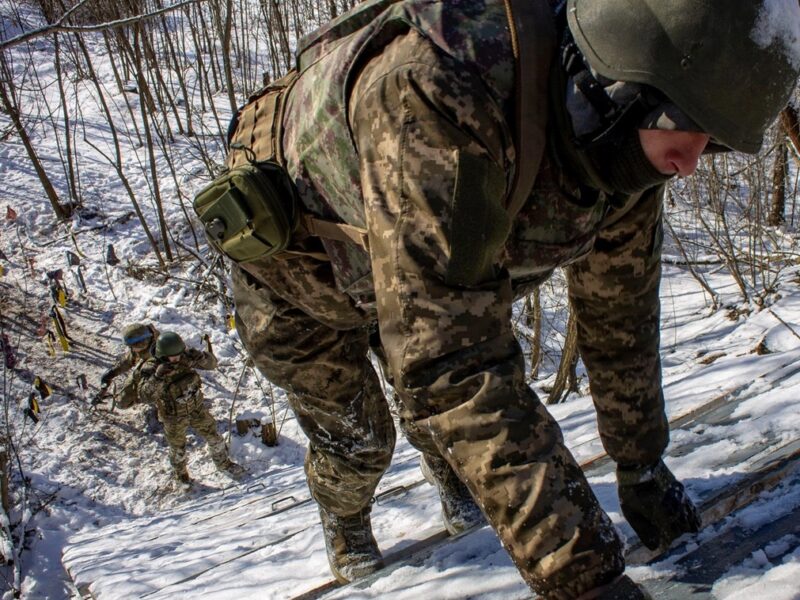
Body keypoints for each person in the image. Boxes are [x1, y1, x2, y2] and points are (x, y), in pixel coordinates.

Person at [218, 0, 799, 596]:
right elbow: (453, 364)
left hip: (415, 270)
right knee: (362, 445)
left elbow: (618, 310)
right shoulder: (436, 91)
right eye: (685, 126)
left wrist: (640, 461)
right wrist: (584, 577)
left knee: (440, 427)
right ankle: (344, 518)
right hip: (303, 287)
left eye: (715, 144)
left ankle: (450, 476)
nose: (689, 165)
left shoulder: (620, 141)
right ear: (618, 84)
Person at [124, 332, 245, 487]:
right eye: (172, 357)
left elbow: (212, 364)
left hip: (196, 408)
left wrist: (202, 357)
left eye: (178, 355)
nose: (176, 359)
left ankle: (224, 464)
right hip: (173, 415)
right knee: (177, 449)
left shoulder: (185, 356)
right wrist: (157, 377)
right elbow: (145, 396)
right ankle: (181, 476)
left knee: (215, 438)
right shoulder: (151, 368)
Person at [94, 322, 158, 404]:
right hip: (142, 375)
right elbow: (127, 361)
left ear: (142, 343)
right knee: (123, 402)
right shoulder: (142, 348)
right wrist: (111, 373)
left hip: (160, 381)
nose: (132, 349)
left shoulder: (163, 351)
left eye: (133, 346)